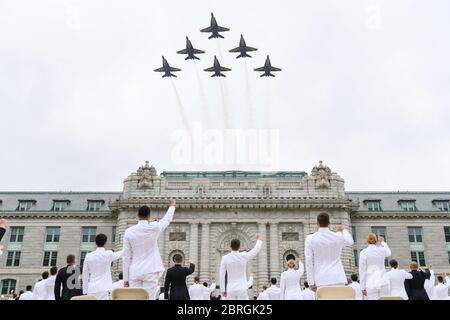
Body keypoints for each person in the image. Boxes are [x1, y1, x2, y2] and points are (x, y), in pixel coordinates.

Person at [123, 199, 176, 300]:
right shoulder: (154, 227)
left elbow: (126, 256)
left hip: (135, 271)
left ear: (137, 215)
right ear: (149, 215)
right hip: (150, 270)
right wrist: (172, 206)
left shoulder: (128, 232)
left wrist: (126, 279)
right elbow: (166, 220)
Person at [304, 213, 354, 291]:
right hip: (338, 277)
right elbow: (350, 241)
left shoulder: (310, 238)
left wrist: (311, 282)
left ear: (317, 223)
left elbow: (309, 262)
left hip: (321, 279)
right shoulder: (338, 236)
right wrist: (344, 230)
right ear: (329, 222)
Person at [219, 234, 262, 300]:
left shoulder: (225, 258)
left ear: (230, 246)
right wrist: (259, 240)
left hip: (230, 289)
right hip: (242, 288)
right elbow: (255, 251)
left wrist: (223, 289)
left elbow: (221, 275)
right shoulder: (243, 256)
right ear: (239, 246)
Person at [82, 234, 122, 300]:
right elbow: (119, 254)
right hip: (105, 289)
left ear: (95, 243)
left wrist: (85, 291)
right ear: (106, 242)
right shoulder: (108, 254)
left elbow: (85, 274)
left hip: (92, 289)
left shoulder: (88, 256)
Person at [359, 234, 391, 300]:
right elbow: (389, 253)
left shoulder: (364, 252)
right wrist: (383, 242)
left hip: (371, 283)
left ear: (367, 241)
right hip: (383, 281)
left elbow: (362, 271)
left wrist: (362, 287)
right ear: (376, 241)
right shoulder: (381, 250)